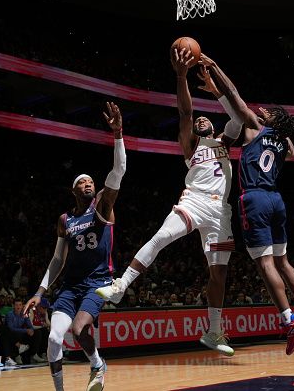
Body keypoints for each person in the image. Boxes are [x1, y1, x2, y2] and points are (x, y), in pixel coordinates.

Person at [96, 48, 244, 357]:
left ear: (213, 128)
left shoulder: (225, 142)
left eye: (206, 119)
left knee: (218, 274)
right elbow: (186, 113)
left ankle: (214, 331)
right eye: (198, 120)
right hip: (195, 201)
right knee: (162, 236)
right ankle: (121, 285)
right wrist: (181, 76)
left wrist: (216, 91)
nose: (201, 119)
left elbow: (237, 116)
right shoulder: (190, 145)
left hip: (221, 211)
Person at [198, 53, 294, 355]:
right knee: (283, 261)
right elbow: (288, 147)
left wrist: (215, 68)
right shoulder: (285, 144)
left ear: (272, 120)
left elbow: (235, 95)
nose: (261, 111)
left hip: (253, 198)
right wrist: (216, 93)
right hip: (276, 199)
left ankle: (288, 319)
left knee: (264, 263)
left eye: (267, 112)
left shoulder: (256, 127)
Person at [23, 101, 126, 391]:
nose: (88, 184)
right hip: (69, 285)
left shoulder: (104, 205)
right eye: (82, 182)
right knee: (55, 339)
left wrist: (117, 134)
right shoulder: (65, 219)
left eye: (91, 181)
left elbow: (118, 170)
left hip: (98, 282)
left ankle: (97, 363)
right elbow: (58, 259)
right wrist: (40, 291)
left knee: (79, 329)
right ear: (74, 190)